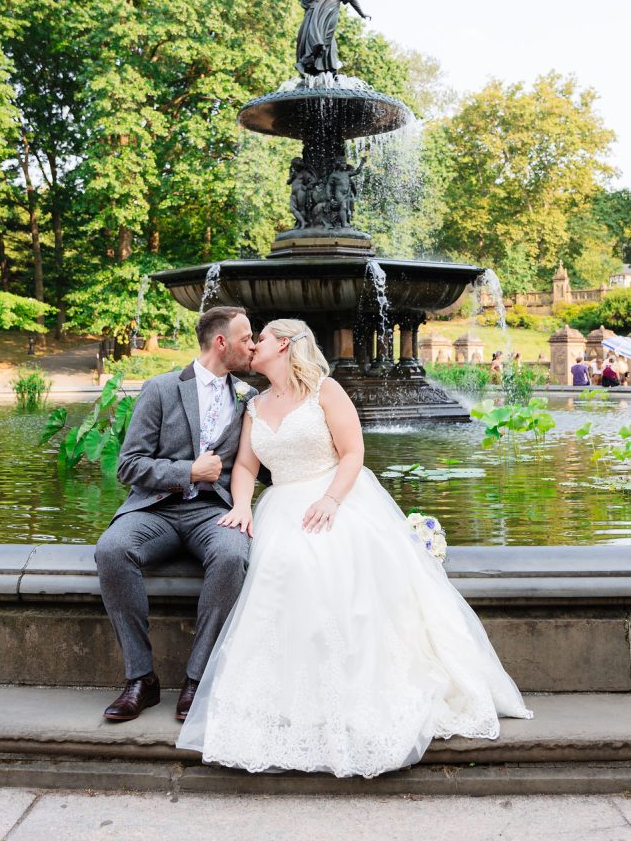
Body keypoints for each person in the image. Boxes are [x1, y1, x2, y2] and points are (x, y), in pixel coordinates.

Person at [179, 319, 533, 778]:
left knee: (326, 564)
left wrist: (330, 499)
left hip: (334, 495)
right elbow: (244, 466)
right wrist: (243, 506)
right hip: (280, 504)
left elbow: (352, 452)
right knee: (278, 567)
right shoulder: (253, 405)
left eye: (260, 338)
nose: (254, 346)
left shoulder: (326, 391)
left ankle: (353, 695)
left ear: (283, 345)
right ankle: (292, 702)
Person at [95, 306, 258, 722]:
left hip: (213, 511)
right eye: (246, 338)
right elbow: (129, 465)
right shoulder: (161, 388)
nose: (253, 346)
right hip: (157, 510)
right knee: (112, 549)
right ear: (221, 342)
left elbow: (260, 462)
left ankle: (196, 679)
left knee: (232, 555)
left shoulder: (248, 397)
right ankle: (141, 680)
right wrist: (186, 471)